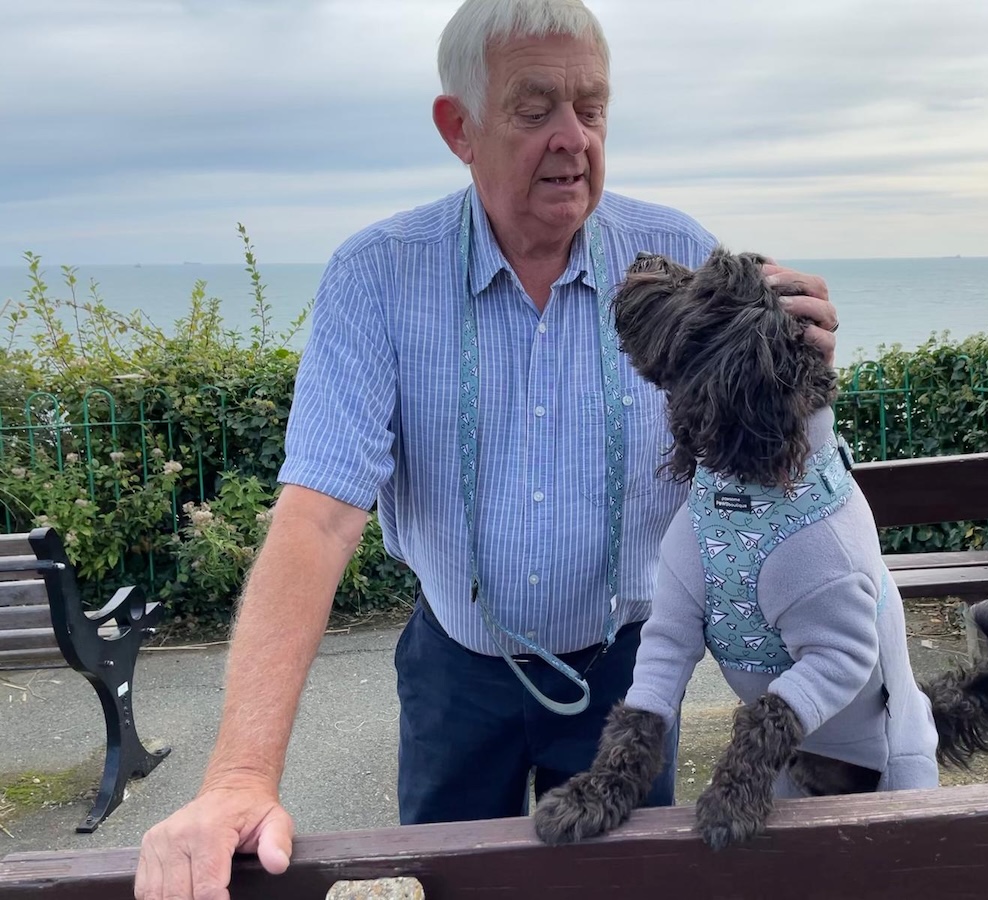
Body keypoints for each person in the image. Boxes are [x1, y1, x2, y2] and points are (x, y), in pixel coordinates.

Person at [133, 1, 839, 897]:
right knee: (449, 882)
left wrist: (801, 383)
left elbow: (753, 464)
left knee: (617, 885)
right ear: (458, 128)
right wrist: (237, 778)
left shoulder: (678, 254)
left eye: (593, 108)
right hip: (456, 673)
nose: (573, 139)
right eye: (535, 108)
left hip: (631, 668)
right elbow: (316, 517)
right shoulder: (378, 275)